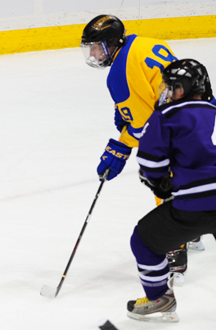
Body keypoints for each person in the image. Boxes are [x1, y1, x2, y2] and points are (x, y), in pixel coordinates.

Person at [80, 14, 214, 276]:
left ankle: (175, 246)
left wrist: (120, 147)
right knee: (196, 168)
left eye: (97, 48)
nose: (94, 56)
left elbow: (145, 130)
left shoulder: (118, 75)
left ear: (110, 44)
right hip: (201, 108)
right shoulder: (143, 42)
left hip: (176, 120)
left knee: (163, 178)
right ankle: (196, 230)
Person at [127, 58, 216, 322]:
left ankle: (159, 298)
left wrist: (159, 182)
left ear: (188, 88)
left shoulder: (167, 116)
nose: (167, 92)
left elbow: (150, 162)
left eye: (173, 87)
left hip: (193, 206)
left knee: (143, 242)